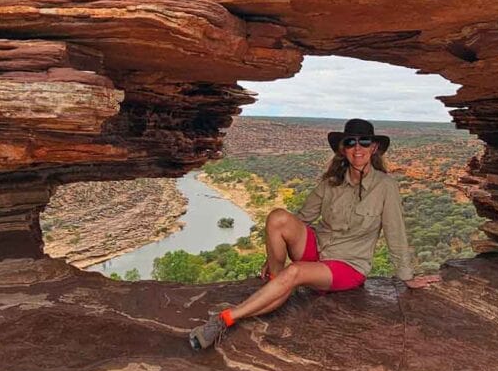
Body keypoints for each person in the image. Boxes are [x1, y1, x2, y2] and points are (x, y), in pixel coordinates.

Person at [189, 118, 442, 350]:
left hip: (347, 265)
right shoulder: (331, 182)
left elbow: (395, 232)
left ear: (374, 148)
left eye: (364, 142)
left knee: (296, 271)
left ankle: (226, 318)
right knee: (277, 216)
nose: (358, 148)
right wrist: (272, 254)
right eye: (351, 142)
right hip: (318, 248)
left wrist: (407, 276)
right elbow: (301, 219)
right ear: (343, 149)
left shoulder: (385, 187)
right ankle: (277, 287)